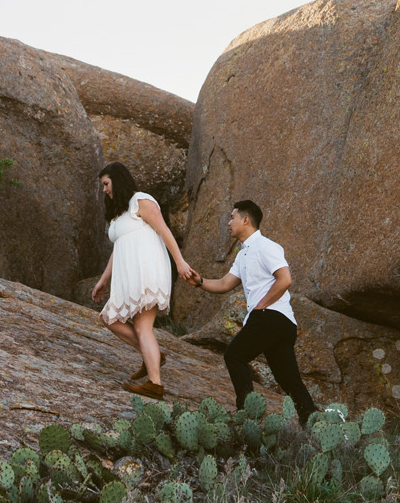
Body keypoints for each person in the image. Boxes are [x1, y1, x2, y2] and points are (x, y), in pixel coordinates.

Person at [182, 199, 318, 423]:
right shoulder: (243, 254)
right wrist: (199, 282)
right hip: (279, 323)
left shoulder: (266, 246)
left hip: (271, 317)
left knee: (234, 355)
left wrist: (260, 307)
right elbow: (225, 284)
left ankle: (246, 416)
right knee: (288, 380)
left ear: (245, 220)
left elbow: (285, 279)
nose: (228, 222)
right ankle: (311, 421)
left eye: (232, 217)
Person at [90, 161, 195, 399]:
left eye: (106, 184)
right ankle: (152, 356)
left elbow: (164, 230)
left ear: (117, 179)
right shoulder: (118, 215)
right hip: (128, 273)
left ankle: (155, 384)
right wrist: (103, 280)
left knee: (141, 326)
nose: (104, 189)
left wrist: (180, 262)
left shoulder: (140, 200)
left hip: (147, 268)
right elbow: (119, 248)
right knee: (108, 317)